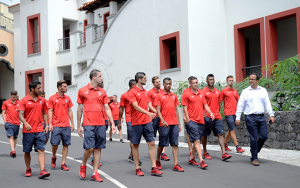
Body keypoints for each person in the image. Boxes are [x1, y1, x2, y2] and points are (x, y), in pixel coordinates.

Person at [77, 69, 116, 182]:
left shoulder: (102, 92)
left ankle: (95, 172)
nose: (102, 78)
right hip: (88, 123)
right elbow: (79, 109)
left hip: (101, 124)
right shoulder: (82, 90)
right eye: (100, 76)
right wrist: (79, 125)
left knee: (98, 148)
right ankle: (83, 164)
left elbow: (107, 108)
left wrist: (112, 123)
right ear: (94, 77)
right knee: (90, 148)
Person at [235, 73, 275, 166]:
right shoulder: (245, 91)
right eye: (250, 79)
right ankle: (254, 157)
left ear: (257, 81)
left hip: (261, 117)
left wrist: (271, 115)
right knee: (253, 138)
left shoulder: (263, 90)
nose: (251, 81)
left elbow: (267, 104)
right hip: (250, 117)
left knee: (264, 136)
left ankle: (255, 150)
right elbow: (240, 105)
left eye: (253, 79)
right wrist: (237, 118)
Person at [129, 72, 163, 176]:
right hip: (137, 122)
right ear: (139, 79)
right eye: (144, 78)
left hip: (147, 122)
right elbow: (135, 106)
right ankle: (137, 167)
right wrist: (148, 113)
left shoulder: (145, 92)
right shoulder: (132, 92)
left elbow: (149, 104)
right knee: (135, 145)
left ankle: (153, 167)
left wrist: (154, 113)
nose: (146, 80)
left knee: (152, 143)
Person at [19, 80, 50, 178]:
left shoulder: (42, 100)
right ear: (32, 89)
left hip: (40, 130)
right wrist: (25, 123)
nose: (40, 90)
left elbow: (45, 113)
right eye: (38, 88)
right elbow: (20, 114)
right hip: (28, 131)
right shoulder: (24, 100)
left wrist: (47, 125)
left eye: (40, 88)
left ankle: (42, 170)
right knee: (27, 151)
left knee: (41, 150)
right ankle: (28, 168)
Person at [182, 76, 214, 169]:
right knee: (197, 141)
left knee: (197, 139)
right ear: (190, 84)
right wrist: (187, 118)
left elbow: (205, 105)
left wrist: (210, 113)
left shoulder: (201, 93)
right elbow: (185, 107)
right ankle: (201, 161)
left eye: (197, 82)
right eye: (194, 83)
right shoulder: (186, 93)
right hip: (191, 121)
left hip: (201, 120)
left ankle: (191, 158)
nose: (196, 84)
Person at [155, 77, 184, 172]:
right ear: (163, 84)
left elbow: (176, 110)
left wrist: (179, 123)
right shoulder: (159, 95)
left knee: (175, 144)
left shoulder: (174, 95)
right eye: (167, 84)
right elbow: (158, 110)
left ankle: (176, 164)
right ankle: (157, 160)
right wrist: (163, 121)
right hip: (164, 124)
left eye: (170, 84)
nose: (169, 85)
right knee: (162, 144)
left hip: (174, 123)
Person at [202, 74, 232, 161]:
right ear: (207, 81)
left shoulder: (217, 91)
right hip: (207, 116)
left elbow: (220, 103)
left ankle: (224, 153)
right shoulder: (203, 91)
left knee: (220, 134)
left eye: (213, 80)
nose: (212, 81)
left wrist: (217, 112)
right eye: (210, 80)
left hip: (217, 116)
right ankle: (205, 152)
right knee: (205, 134)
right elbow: (202, 104)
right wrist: (204, 115)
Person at [48, 80, 74, 171]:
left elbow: (70, 111)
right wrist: (50, 124)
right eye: (65, 86)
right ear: (59, 87)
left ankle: (63, 163)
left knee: (66, 144)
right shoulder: (52, 98)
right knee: (54, 144)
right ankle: (54, 156)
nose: (67, 88)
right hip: (56, 125)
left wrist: (72, 123)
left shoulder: (68, 98)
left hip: (66, 125)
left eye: (67, 86)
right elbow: (50, 111)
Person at [118, 79, 142, 165]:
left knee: (137, 140)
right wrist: (119, 121)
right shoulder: (124, 95)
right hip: (129, 120)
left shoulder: (138, 94)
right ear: (132, 86)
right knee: (133, 139)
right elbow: (121, 109)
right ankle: (135, 157)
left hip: (138, 119)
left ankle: (132, 155)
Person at [219, 75, 245, 153]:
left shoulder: (235, 91)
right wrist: (218, 112)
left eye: (232, 80)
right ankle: (237, 147)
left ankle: (224, 144)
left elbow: (239, 101)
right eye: (230, 80)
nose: (231, 81)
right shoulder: (223, 91)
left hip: (235, 113)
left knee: (231, 130)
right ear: (227, 81)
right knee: (232, 130)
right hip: (228, 113)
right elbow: (220, 101)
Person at [148, 76, 170, 161]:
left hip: (162, 117)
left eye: (159, 81)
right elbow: (149, 105)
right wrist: (156, 112)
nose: (159, 83)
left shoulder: (163, 91)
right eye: (157, 82)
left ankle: (163, 153)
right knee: (152, 136)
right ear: (153, 83)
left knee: (163, 134)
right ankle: (152, 151)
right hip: (154, 117)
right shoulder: (150, 92)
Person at [1, 90, 20, 157]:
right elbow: (3, 112)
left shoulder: (19, 103)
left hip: (17, 123)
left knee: (15, 138)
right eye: (14, 97)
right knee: (11, 136)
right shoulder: (6, 102)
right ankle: (13, 150)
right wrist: (5, 120)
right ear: (11, 95)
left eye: (16, 97)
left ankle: (13, 150)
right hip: (9, 122)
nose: (15, 98)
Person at [182, 76, 196, 157]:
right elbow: (184, 105)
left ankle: (194, 148)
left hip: (197, 117)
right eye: (192, 82)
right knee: (189, 133)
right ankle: (191, 149)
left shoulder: (198, 91)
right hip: (189, 116)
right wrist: (185, 116)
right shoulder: (186, 92)